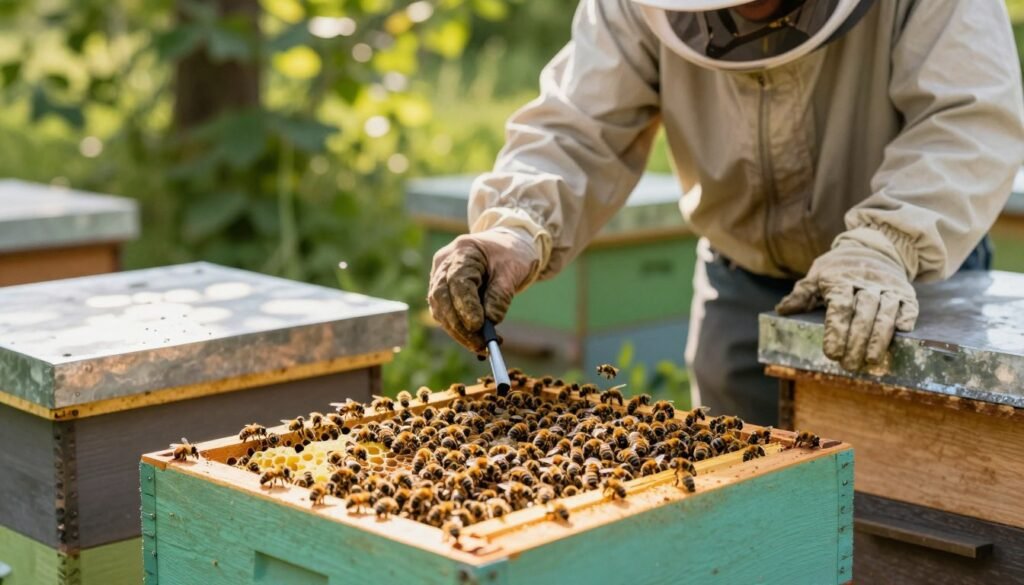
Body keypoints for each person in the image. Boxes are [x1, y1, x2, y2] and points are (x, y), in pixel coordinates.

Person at [427, 0, 1024, 424]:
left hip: (903, 288)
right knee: (748, 528)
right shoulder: (633, 7)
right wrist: (513, 228)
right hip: (739, 287)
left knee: (904, 521)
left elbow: (967, 120)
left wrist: (886, 244)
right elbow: (577, 130)